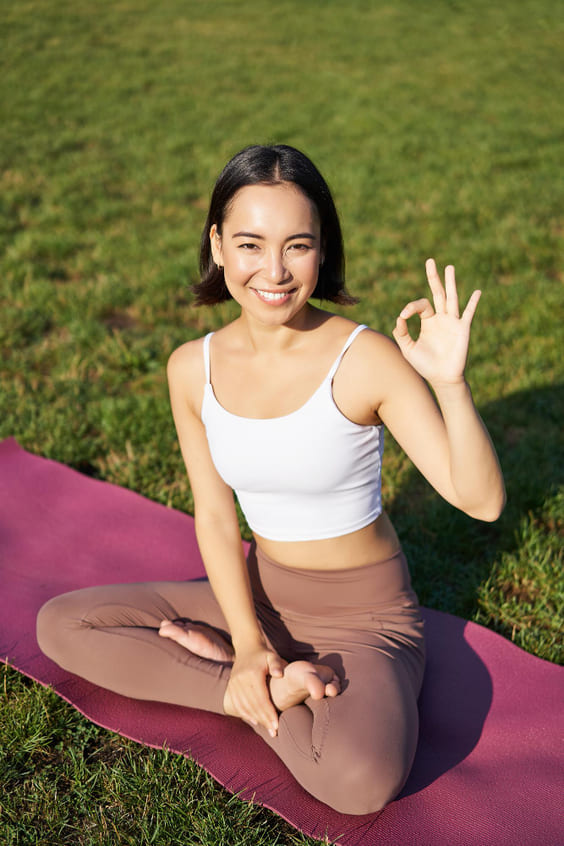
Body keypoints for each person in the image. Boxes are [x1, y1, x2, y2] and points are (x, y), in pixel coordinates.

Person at [36, 144, 505, 815]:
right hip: (260, 596)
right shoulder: (189, 368)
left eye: (299, 245)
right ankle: (242, 687)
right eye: (251, 244)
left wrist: (450, 384)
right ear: (218, 244)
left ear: (323, 251)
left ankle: (237, 680)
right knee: (65, 625)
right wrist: (250, 649)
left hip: (365, 621)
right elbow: (217, 518)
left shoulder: (363, 358)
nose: (275, 271)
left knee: (360, 781)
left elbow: (481, 500)